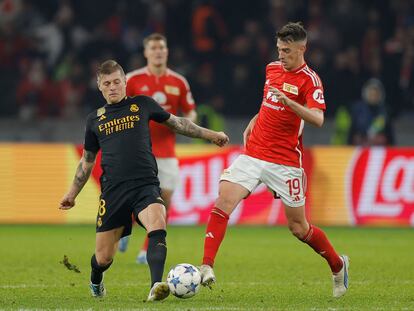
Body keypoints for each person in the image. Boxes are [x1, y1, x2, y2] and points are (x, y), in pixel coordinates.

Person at [199, 22, 349, 298]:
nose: (281, 55)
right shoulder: (271, 68)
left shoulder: (310, 81)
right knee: (223, 202)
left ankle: (338, 265)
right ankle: (206, 266)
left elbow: (317, 118)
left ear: (302, 48)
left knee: (298, 227)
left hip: (285, 161)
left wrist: (291, 103)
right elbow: (268, 102)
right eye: (279, 49)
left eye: (287, 50)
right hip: (255, 152)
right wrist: (253, 122)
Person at [59, 60, 229, 301]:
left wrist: (211, 135)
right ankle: (96, 279)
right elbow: (87, 162)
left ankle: (156, 285)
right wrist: (71, 194)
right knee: (103, 258)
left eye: (117, 81)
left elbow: (179, 123)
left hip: (145, 185)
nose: (113, 87)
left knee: (158, 223)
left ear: (125, 82)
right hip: (113, 192)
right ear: (99, 87)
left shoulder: (142, 105)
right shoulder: (94, 120)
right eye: (107, 83)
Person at [117, 33, 198, 264]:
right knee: (135, 197)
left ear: (167, 51)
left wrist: (185, 124)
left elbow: (190, 110)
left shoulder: (179, 82)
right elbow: (118, 108)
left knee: (165, 201)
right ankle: (127, 225)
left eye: (162, 47)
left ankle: (145, 249)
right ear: (146, 52)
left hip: (167, 152)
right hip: (138, 150)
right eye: (153, 48)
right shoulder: (132, 80)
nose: (158, 51)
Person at [348, 78, 394, 146]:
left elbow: (390, 137)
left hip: (379, 150)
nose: (373, 96)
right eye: (371, 94)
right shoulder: (357, 110)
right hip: (360, 149)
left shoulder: (385, 111)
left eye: (376, 94)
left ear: (380, 95)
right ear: (365, 93)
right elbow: (351, 134)